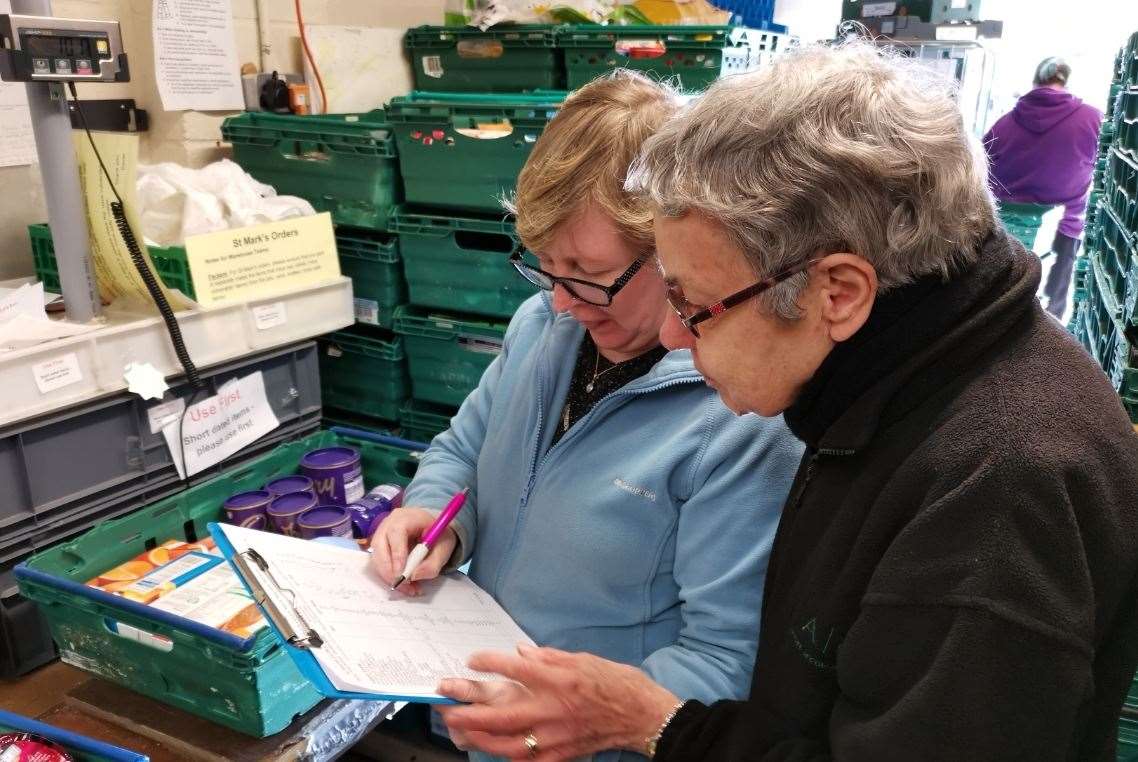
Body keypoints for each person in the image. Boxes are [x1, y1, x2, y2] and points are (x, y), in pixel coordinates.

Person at [434, 42, 1138, 762]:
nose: (673, 335)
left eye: (698, 304)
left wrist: (658, 724)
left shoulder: (1000, 493)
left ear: (838, 292)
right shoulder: (886, 385)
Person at [370, 71, 803, 761]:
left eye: (585, 272)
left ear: (672, 251)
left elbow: (727, 661)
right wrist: (433, 514)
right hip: (482, 718)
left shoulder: (739, 414)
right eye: (545, 267)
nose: (563, 301)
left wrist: (573, 715)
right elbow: (461, 449)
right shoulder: (543, 324)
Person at [985, 56, 1103, 318]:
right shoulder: (1092, 119)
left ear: (1036, 81)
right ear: (1066, 81)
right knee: (1048, 316)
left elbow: (979, 168)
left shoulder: (1004, 124)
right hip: (1063, 229)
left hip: (1005, 229)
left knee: (997, 301)